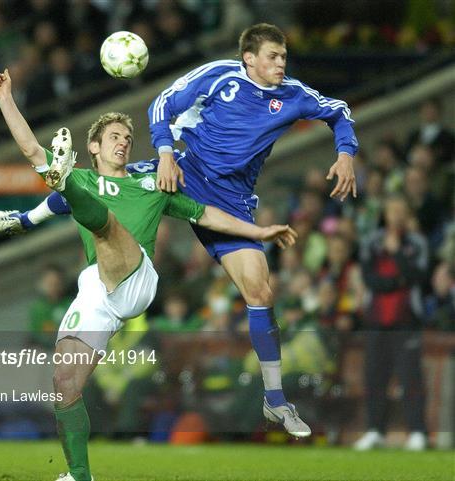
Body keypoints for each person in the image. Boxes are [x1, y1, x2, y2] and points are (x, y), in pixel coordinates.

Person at [0, 69, 299, 481]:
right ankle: (79, 475)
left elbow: (206, 213)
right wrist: (5, 97)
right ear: (93, 146)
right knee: (64, 382)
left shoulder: (152, 182)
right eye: (114, 137)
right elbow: (30, 148)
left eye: (127, 139)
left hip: (137, 277)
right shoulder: (84, 177)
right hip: (97, 290)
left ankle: (60, 184)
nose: (123, 142)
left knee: (106, 225)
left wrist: (257, 231)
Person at [148, 23, 358, 428]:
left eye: (283, 57)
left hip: (233, 204)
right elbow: (162, 104)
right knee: (110, 187)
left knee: (261, 292)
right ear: (250, 58)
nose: (281, 63)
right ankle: (29, 215)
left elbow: (339, 111)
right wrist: (164, 153)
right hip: (185, 172)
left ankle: (275, 400)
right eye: (273, 57)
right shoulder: (218, 75)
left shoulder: (293, 95)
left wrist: (345, 153)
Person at [355, 195, 428, 451]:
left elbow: (417, 276)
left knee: (411, 379)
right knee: (375, 378)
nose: (396, 215)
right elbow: (369, 279)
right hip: (376, 320)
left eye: (401, 210)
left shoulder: (417, 242)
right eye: (392, 210)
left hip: (406, 320)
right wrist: (395, 283)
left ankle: (418, 432)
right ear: (385, 214)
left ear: (407, 214)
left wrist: (397, 252)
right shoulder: (371, 243)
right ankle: (375, 430)